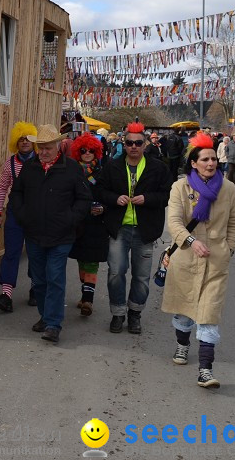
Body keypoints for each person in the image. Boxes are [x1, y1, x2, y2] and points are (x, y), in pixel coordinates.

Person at [163, 133, 235, 388]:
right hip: (185, 259)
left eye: (213, 159)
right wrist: (190, 241)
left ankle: (206, 370)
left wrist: (228, 248)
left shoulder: (228, 188)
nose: (211, 163)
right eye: (205, 159)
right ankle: (182, 345)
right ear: (194, 163)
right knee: (185, 311)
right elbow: (174, 222)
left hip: (216, 261)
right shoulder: (180, 188)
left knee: (209, 314)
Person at [12, 124, 93, 343]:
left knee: (55, 277)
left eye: (48, 147)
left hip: (61, 235)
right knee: (38, 279)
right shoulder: (30, 168)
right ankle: (45, 316)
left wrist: (71, 219)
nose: (44, 152)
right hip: (35, 233)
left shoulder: (73, 168)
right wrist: (22, 215)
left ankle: (53, 324)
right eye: (41, 148)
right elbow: (16, 193)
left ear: (58, 146)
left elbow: (84, 198)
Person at [95, 122, 172, 335]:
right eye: (129, 142)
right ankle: (118, 313)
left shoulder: (158, 168)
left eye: (138, 142)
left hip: (145, 230)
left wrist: (147, 198)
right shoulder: (112, 165)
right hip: (118, 228)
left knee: (141, 277)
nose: (134, 146)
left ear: (145, 143)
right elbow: (100, 189)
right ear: (124, 143)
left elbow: (167, 195)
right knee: (116, 272)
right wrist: (114, 198)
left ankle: (135, 313)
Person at [0, 121, 37, 312]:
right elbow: (2, 188)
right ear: (15, 143)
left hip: (36, 215)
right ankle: (6, 296)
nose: (24, 142)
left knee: (36, 253)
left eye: (27, 139)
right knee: (11, 253)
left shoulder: (41, 162)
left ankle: (36, 289)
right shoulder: (10, 164)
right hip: (14, 215)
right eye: (21, 139)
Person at [68, 133, 109, 316]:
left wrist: (104, 207)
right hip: (78, 223)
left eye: (91, 151)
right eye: (83, 150)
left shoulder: (103, 173)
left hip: (96, 224)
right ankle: (85, 293)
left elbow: (109, 195)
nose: (87, 153)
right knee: (82, 260)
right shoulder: (72, 172)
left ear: (96, 152)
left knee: (91, 262)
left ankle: (88, 300)